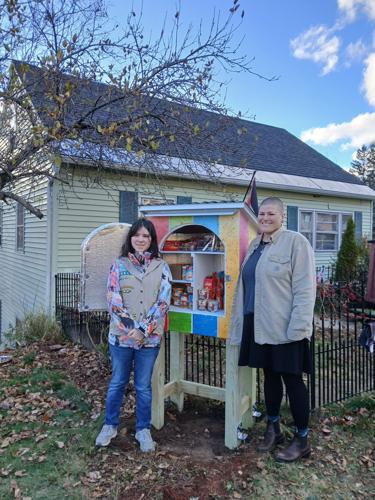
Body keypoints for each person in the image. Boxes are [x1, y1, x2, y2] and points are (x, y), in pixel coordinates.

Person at [230, 197, 316, 462]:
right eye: (262, 214)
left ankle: (302, 439)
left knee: (292, 381)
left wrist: (299, 327)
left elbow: (305, 288)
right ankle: (273, 427)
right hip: (258, 324)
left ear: (282, 216)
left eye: (271, 214)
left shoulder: (295, 242)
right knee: (269, 377)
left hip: (286, 327)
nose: (265, 218)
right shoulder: (256, 245)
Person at [95, 218, 171, 452]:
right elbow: (113, 299)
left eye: (146, 236)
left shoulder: (162, 266)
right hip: (120, 338)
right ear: (130, 239)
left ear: (151, 240)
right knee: (118, 382)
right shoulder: (118, 265)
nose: (140, 239)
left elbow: (163, 301)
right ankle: (109, 425)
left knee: (143, 387)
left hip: (149, 339)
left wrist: (143, 330)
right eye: (136, 235)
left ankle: (143, 429)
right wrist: (130, 329)